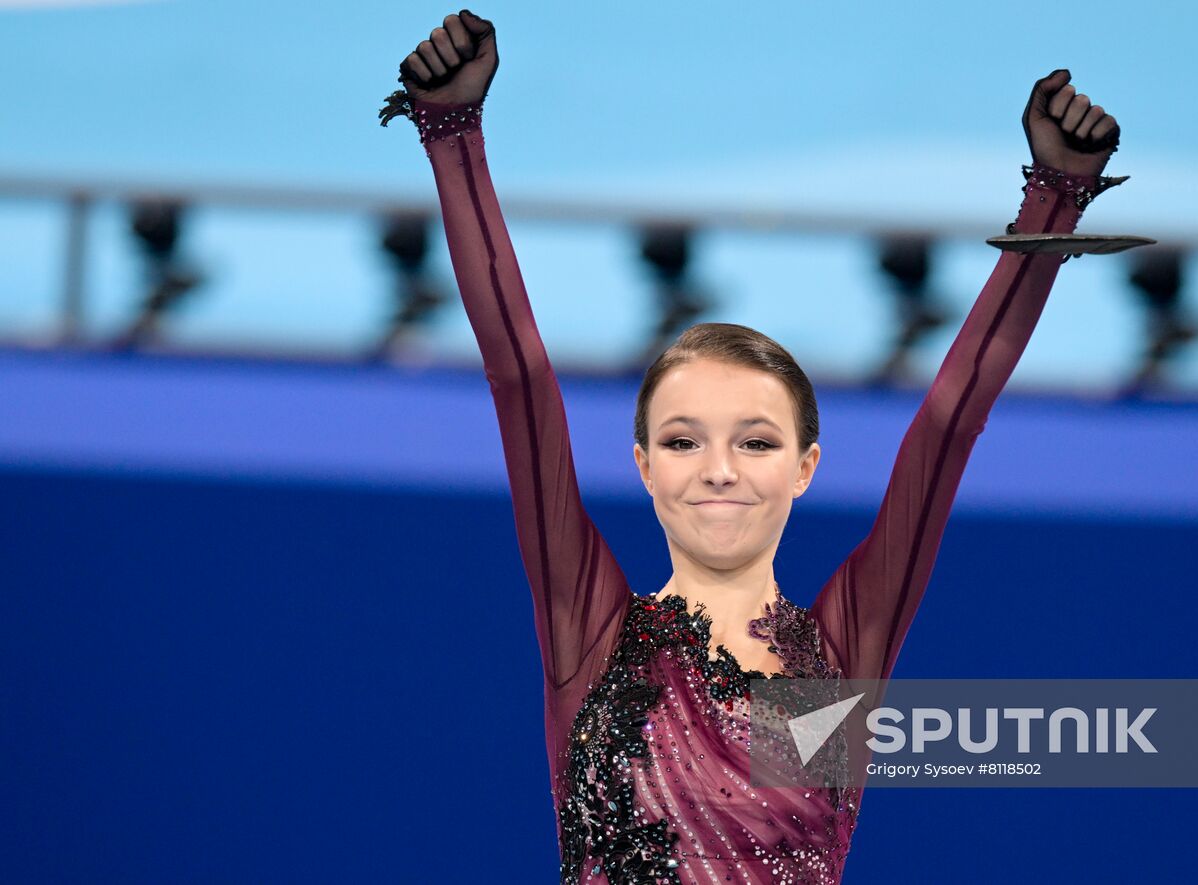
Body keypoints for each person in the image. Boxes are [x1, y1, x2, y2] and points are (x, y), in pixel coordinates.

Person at [381, 9, 1124, 882]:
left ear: (807, 467)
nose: (721, 468)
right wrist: (451, 132)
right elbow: (519, 379)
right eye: (685, 439)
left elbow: (951, 424)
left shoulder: (835, 670)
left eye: (757, 440)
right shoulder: (591, 639)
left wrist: (1055, 196)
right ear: (644, 465)